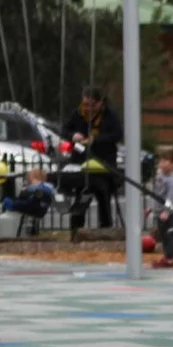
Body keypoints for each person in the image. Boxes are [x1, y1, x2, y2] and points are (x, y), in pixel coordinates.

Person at [63, 86, 119, 238]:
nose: (88, 109)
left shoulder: (110, 116)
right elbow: (64, 130)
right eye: (85, 104)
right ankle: (76, 231)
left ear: (100, 103)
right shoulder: (77, 114)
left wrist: (96, 140)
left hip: (103, 163)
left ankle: (106, 229)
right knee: (81, 194)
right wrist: (73, 135)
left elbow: (117, 134)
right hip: (81, 162)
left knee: (103, 194)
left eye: (92, 105)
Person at [148, 148, 173, 268]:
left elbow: (172, 198)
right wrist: (151, 208)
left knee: (169, 236)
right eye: (161, 161)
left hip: (170, 214)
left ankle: (170, 258)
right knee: (163, 236)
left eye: (166, 161)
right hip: (160, 212)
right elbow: (157, 194)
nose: (162, 164)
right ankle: (167, 256)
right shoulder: (161, 177)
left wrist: (167, 211)